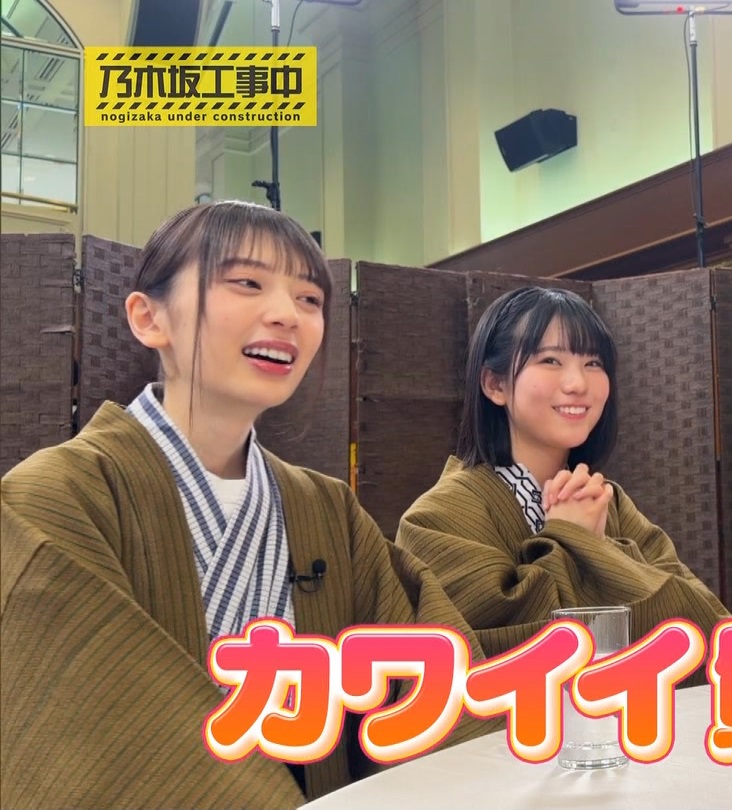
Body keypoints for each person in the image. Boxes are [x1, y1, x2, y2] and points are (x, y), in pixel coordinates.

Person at [1, 201, 496, 810]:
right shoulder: (57, 496)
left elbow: (430, 677)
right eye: (247, 283)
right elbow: (80, 734)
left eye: (310, 298)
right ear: (149, 317)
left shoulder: (326, 508)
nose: (287, 314)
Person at [396, 286, 729, 663]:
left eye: (594, 363)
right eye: (551, 360)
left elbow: (711, 629)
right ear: (495, 384)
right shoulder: (435, 519)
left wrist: (595, 547)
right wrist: (575, 540)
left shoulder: (608, 502)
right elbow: (488, 654)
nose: (578, 384)